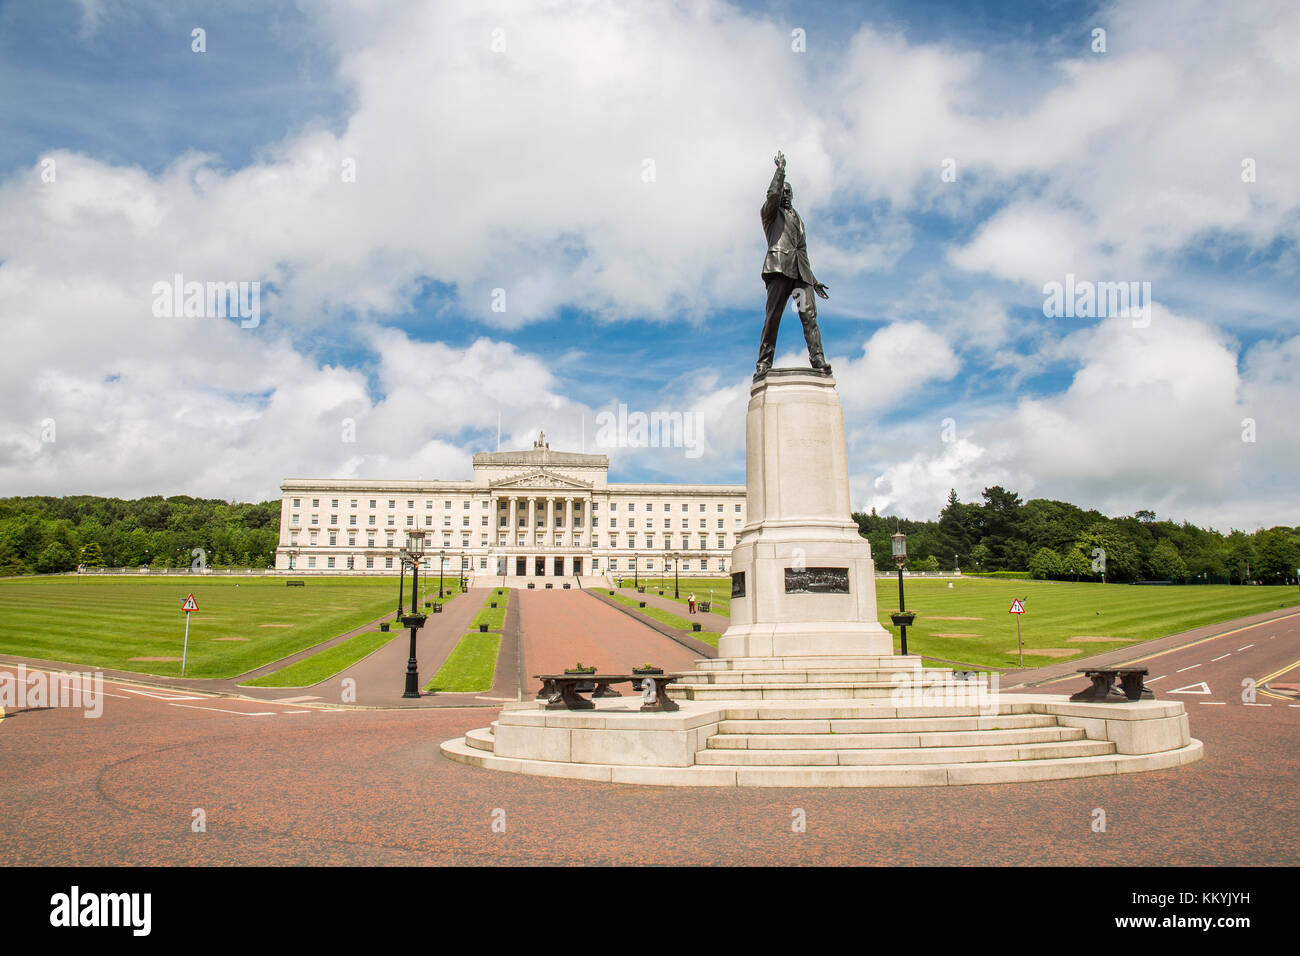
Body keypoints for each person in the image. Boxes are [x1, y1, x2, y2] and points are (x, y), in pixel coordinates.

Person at [756, 150, 831, 379]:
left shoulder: (798, 218)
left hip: (801, 274)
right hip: (779, 268)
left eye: (789, 192)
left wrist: (814, 279)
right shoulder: (770, 213)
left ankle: (818, 359)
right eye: (783, 192)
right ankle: (763, 362)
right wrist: (780, 170)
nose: (786, 195)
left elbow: (803, 250)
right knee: (773, 317)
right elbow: (772, 194)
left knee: (809, 317)